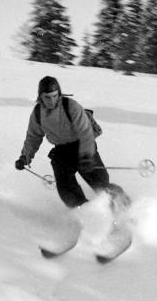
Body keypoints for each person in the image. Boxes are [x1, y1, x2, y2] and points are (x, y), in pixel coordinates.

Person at [15, 76, 129, 210]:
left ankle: (126, 208)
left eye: (54, 96)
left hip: (83, 146)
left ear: (59, 94)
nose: (51, 100)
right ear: (40, 96)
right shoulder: (38, 113)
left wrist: (86, 157)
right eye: (47, 97)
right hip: (61, 151)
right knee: (66, 188)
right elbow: (33, 137)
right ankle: (86, 211)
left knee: (101, 184)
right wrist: (25, 157)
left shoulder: (71, 106)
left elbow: (86, 133)